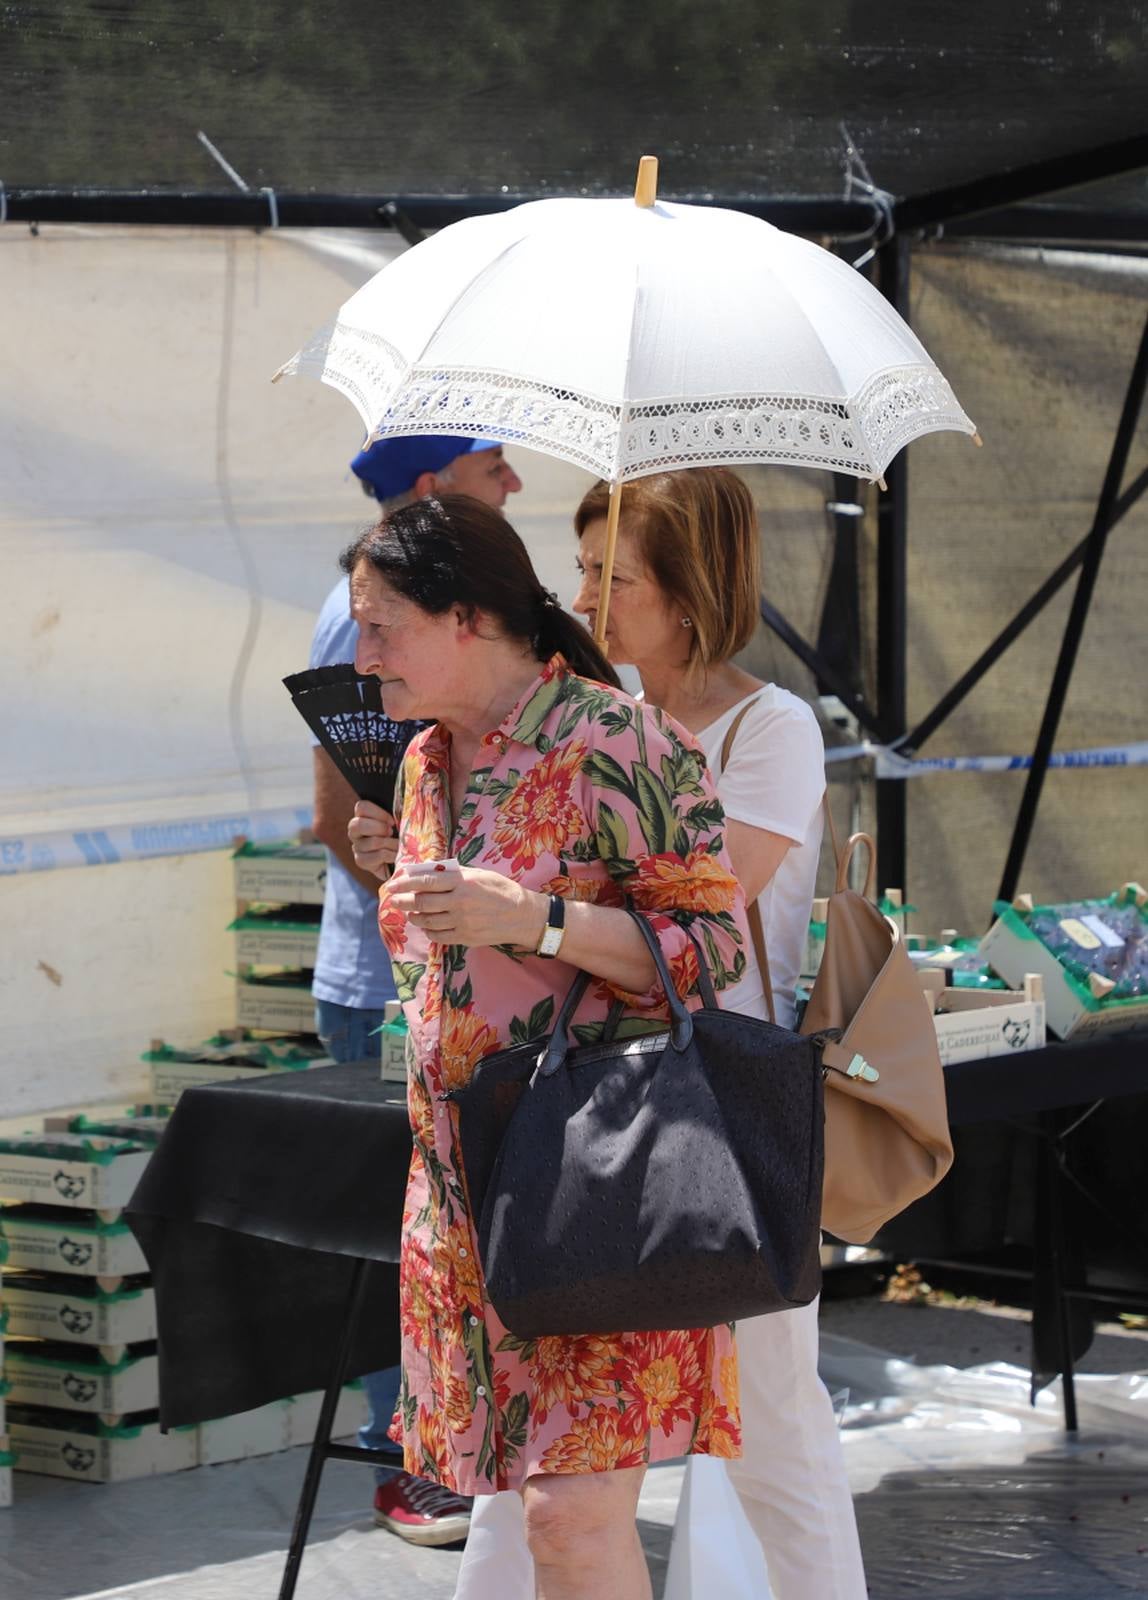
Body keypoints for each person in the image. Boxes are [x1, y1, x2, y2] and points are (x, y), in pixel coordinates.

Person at [455, 467, 867, 1599]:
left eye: (614, 576)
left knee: (776, 1424)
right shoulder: (584, 724)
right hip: (579, 1103)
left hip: (720, 1114)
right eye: (582, 569)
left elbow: (702, 913)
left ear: (686, 595)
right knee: (542, 1443)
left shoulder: (765, 728)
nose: (587, 599)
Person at [346, 493, 749, 1600]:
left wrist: (532, 917)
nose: (361, 653)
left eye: (382, 625)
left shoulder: (614, 739)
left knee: (569, 1516)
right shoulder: (425, 758)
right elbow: (439, 963)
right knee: (526, 1506)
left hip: (594, 1176)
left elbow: (710, 946)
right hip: (463, 1191)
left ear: (466, 617)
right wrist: (405, 882)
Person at [308, 434, 521, 1547]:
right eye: (494, 467)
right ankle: (423, 1458)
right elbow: (339, 815)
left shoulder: (586, 735)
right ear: (437, 491)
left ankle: (454, 1457)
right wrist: (405, 875)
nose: (514, 486)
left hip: (466, 1020)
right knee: (409, 1236)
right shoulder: (369, 617)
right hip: (385, 985)